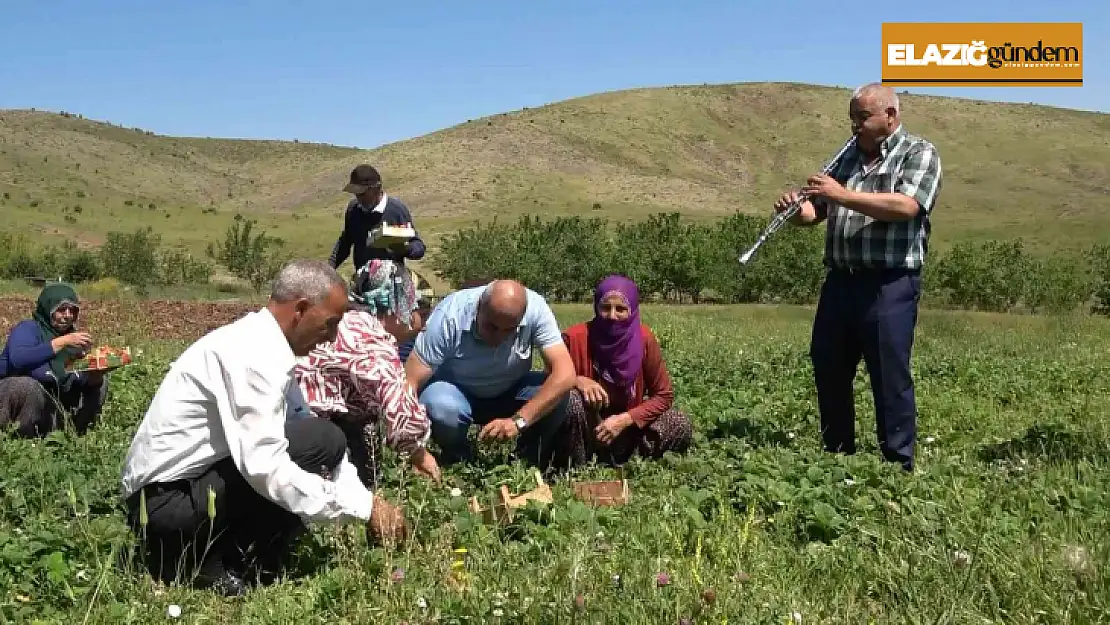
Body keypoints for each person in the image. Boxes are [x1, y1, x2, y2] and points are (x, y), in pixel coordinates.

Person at [119, 259, 407, 597]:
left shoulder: (268, 347)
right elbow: (264, 467)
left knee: (323, 439)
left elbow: (310, 431)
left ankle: (245, 553)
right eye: (330, 324)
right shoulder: (252, 354)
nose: (331, 338)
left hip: (189, 493)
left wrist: (366, 500)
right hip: (165, 507)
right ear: (300, 309)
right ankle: (198, 561)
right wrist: (360, 509)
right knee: (308, 446)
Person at [773, 82, 942, 472]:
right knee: (828, 363)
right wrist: (797, 212)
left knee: (888, 371)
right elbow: (816, 213)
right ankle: (837, 452)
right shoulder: (845, 158)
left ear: (891, 116)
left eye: (863, 117)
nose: (855, 125)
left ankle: (897, 462)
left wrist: (841, 194)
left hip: (889, 282)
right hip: (840, 281)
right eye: (852, 117)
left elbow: (907, 206)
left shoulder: (918, 153)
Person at [294, 259, 440, 491]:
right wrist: (419, 453)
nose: (423, 325)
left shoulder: (346, 323)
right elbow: (398, 407)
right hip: (313, 432)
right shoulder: (371, 340)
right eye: (421, 313)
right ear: (399, 309)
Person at [404, 280, 576, 471]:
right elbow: (410, 382)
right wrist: (411, 447)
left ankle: (528, 460)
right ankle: (458, 458)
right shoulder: (449, 316)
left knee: (559, 393)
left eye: (510, 330)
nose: (499, 337)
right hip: (457, 392)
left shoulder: (536, 308)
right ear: (479, 307)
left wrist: (518, 421)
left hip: (512, 390)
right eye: (492, 327)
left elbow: (565, 373)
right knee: (439, 404)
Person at [555, 275, 693, 468]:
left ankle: (629, 462)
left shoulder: (644, 339)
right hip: (585, 432)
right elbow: (550, 382)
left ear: (633, 310)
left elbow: (663, 395)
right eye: (605, 308)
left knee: (679, 422)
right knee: (570, 400)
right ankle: (577, 466)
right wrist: (577, 380)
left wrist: (625, 420)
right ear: (596, 307)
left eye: (620, 309)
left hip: (627, 430)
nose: (612, 315)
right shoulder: (575, 338)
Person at [0, 283, 107, 437]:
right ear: (47, 309)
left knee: (102, 382)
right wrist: (61, 342)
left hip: (51, 408)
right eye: (61, 309)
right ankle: (21, 438)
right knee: (27, 386)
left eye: (73, 310)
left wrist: (96, 374)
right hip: (10, 404)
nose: (68, 315)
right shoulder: (29, 329)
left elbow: (77, 382)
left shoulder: (75, 341)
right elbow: (19, 359)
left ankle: (76, 433)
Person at [328, 164, 426, 273]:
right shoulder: (353, 210)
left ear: (377, 188)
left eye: (363, 193)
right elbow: (344, 244)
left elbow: (418, 246)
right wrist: (328, 269)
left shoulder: (396, 210)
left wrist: (406, 249)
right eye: (356, 193)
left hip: (393, 280)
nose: (358, 198)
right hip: (363, 281)